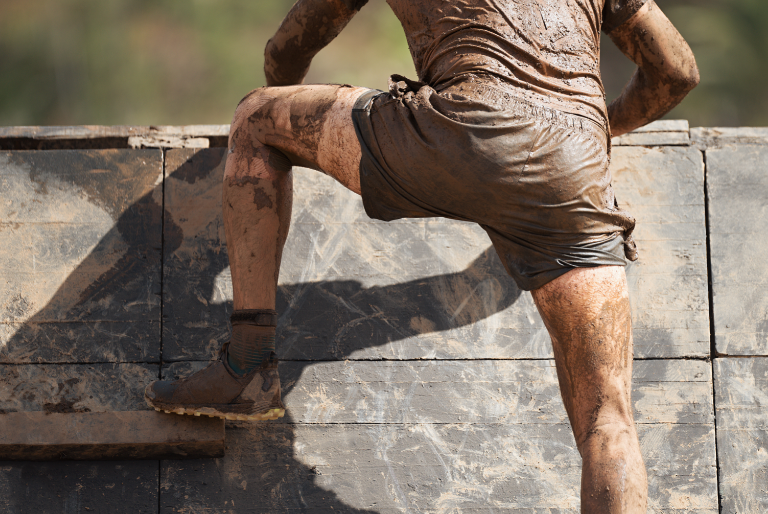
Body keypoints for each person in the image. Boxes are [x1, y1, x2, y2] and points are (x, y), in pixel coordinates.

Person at [145, 0, 698, 511]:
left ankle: (247, 363)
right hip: (574, 167)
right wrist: (594, 128)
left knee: (257, 119)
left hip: (457, 133)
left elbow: (287, 49)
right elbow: (677, 70)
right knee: (609, 419)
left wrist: (277, 152)